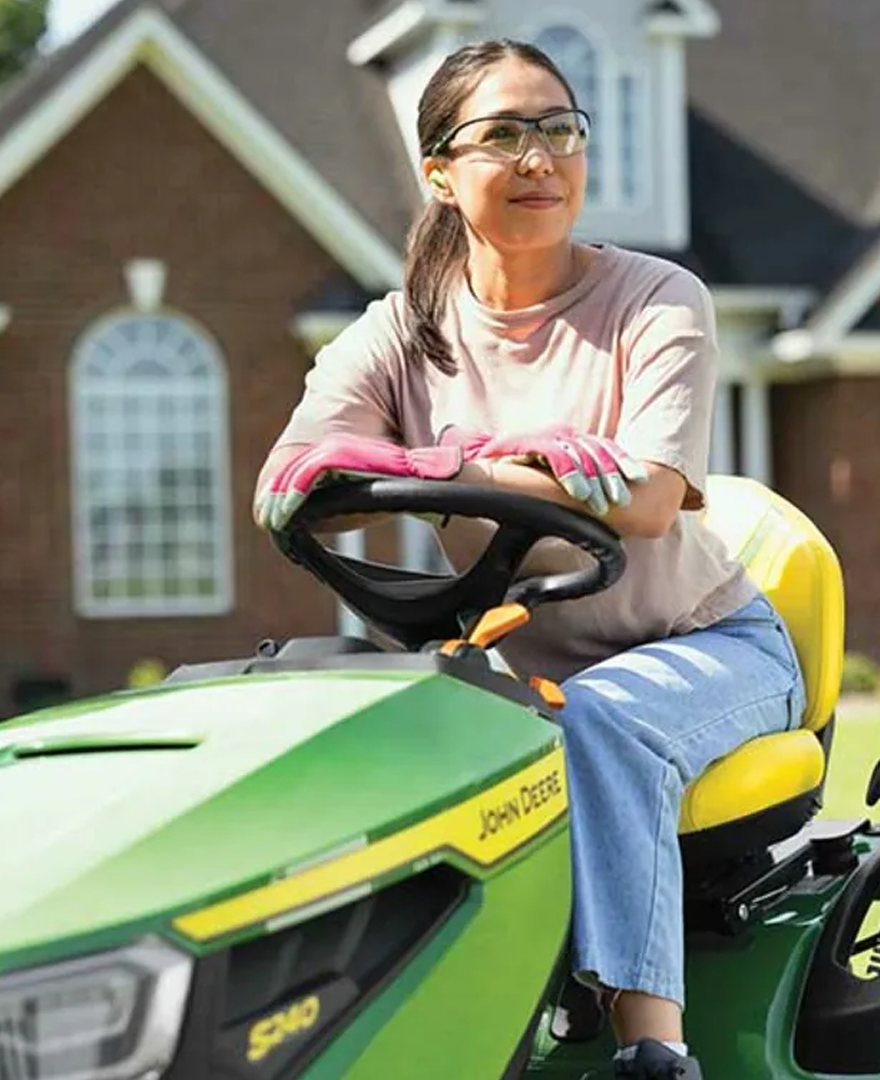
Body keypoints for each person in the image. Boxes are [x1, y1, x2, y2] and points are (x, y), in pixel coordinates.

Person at [254, 38, 805, 1080]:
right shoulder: (399, 334)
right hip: (518, 661)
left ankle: (653, 1050)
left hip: (707, 649)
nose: (540, 156)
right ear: (440, 173)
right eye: (504, 134)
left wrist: (456, 466)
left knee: (602, 717)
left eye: (559, 129)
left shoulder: (656, 300)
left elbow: (642, 501)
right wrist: (466, 460)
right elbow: (290, 482)